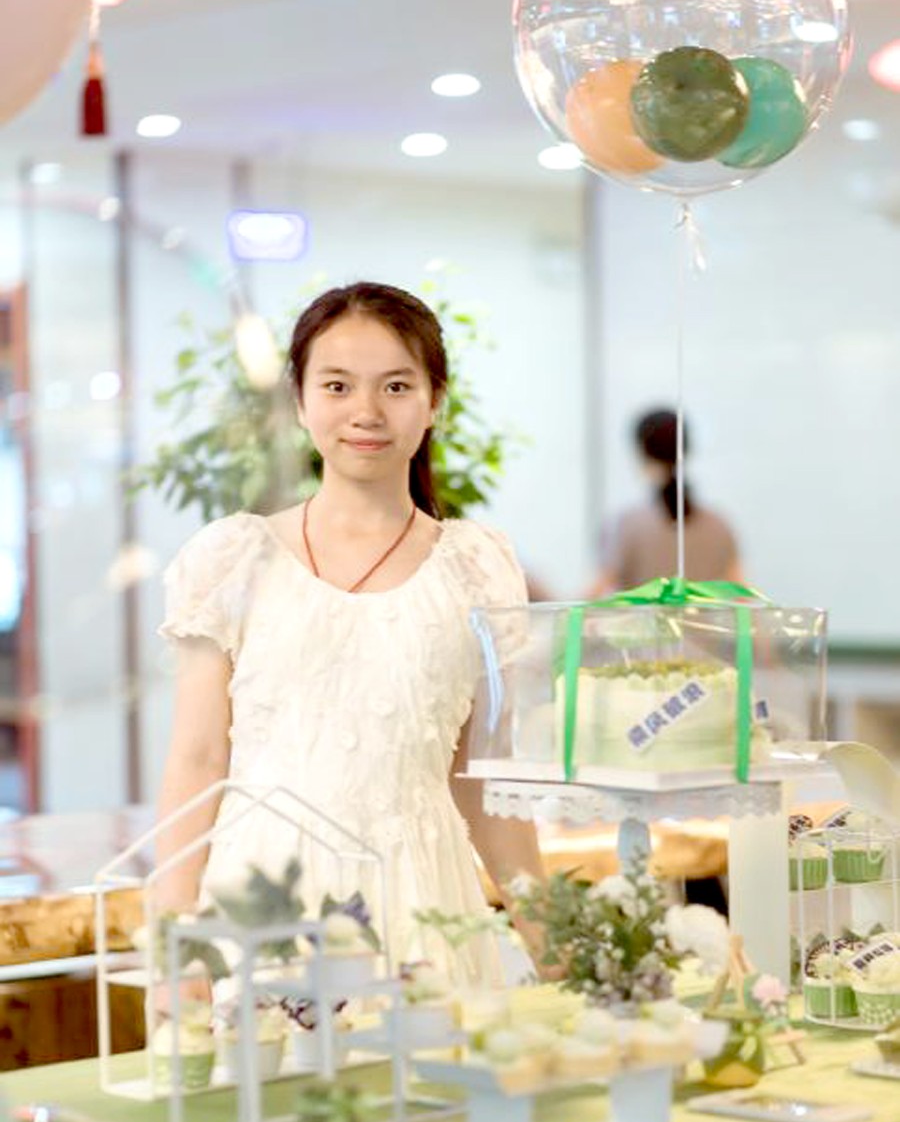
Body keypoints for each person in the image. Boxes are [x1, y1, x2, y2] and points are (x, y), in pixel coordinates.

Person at [154, 281, 548, 989]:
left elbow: (482, 780)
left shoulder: (477, 568)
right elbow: (197, 759)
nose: (366, 412)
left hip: (422, 899)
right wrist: (171, 943)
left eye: (396, 386)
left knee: (433, 1058)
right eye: (337, 385)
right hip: (263, 902)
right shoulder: (233, 559)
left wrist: (557, 943)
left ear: (435, 400)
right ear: (300, 399)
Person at [587, 407, 744, 597]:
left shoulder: (624, 524)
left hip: (642, 619)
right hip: (706, 618)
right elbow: (741, 593)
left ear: (642, 453)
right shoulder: (719, 525)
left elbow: (597, 591)